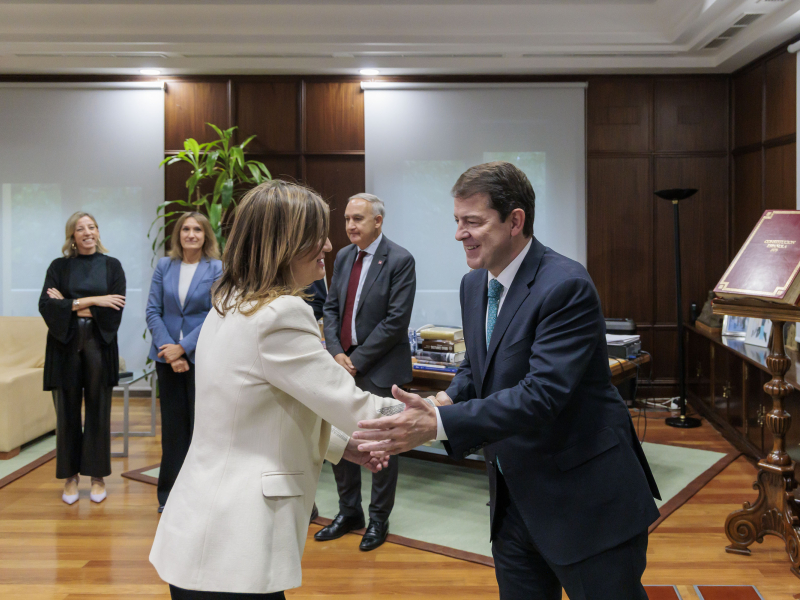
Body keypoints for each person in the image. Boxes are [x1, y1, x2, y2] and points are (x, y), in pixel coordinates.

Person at [354, 162, 661, 600]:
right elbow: (477, 369)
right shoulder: (473, 285)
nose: (460, 234)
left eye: (473, 222)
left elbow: (541, 396)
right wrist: (442, 400)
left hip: (585, 502)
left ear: (515, 220)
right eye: (457, 222)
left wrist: (440, 425)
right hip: (512, 501)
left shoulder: (566, 285)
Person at [149, 180, 400, 599]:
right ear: (285, 242)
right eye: (316, 234)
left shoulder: (229, 301)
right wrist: (444, 415)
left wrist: (340, 445)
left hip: (206, 531)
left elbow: (263, 406)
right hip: (234, 540)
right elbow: (358, 407)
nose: (326, 244)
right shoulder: (282, 313)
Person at [316, 193, 416, 551]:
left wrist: (356, 360)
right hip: (341, 364)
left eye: (358, 219)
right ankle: (349, 512)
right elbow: (329, 308)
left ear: (378, 221)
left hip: (379, 367)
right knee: (341, 441)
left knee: (381, 445)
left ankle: (378, 519)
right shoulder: (343, 257)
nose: (350, 226)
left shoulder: (400, 260)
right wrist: (336, 352)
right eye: (347, 219)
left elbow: (395, 322)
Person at [39, 211, 126, 505]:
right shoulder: (59, 267)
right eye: (80, 228)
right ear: (72, 236)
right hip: (64, 347)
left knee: (99, 413)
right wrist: (94, 300)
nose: (87, 232)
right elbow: (47, 307)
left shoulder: (112, 266)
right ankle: (70, 477)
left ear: (98, 232)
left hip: (99, 346)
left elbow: (115, 309)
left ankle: (98, 477)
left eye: (92, 227)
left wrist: (69, 303)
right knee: (66, 414)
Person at [146, 211, 223, 513]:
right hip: (167, 359)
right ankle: (168, 497)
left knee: (200, 428)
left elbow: (217, 312)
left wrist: (184, 348)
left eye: (197, 230)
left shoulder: (217, 268)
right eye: (186, 229)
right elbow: (153, 310)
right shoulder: (165, 266)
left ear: (206, 236)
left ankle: (200, 496)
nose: (191, 234)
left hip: (200, 357)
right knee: (173, 430)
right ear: (178, 234)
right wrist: (170, 350)